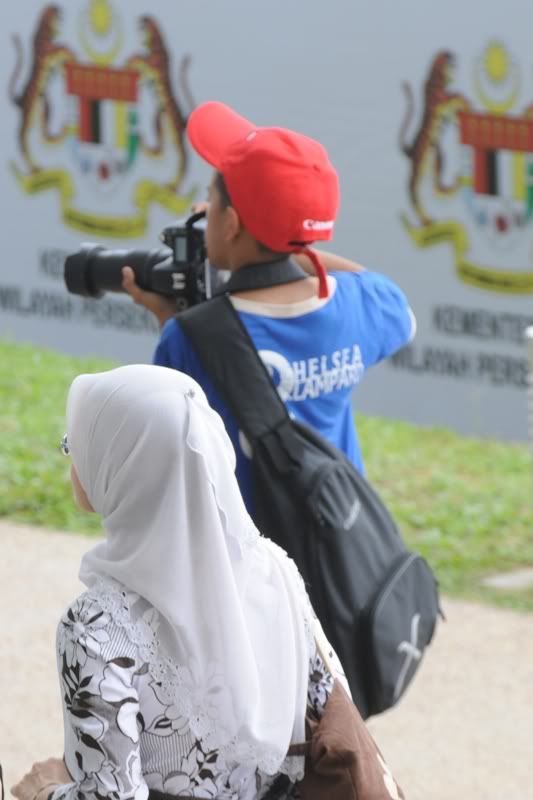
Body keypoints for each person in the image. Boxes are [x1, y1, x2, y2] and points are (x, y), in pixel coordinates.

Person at [11, 364, 347, 800]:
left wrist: (44, 790)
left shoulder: (97, 626)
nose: (74, 456)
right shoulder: (274, 571)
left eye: (79, 445)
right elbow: (333, 708)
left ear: (123, 465)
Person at [123, 101, 416, 511]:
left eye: (212, 204)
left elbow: (170, 456)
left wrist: (171, 321)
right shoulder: (357, 305)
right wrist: (290, 243)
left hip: (246, 563)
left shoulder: (189, 338)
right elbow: (376, 288)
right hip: (335, 545)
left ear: (231, 224)